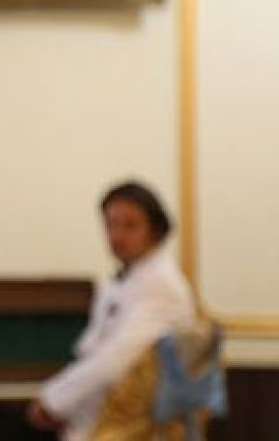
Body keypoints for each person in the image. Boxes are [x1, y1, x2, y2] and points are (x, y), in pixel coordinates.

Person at [27, 181, 197, 440]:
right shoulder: (124, 280)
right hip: (99, 417)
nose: (116, 236)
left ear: (155, 230)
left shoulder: (162, 284)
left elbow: (115, 359)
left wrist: (53, 401)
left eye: (129, 225)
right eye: (110, 224)